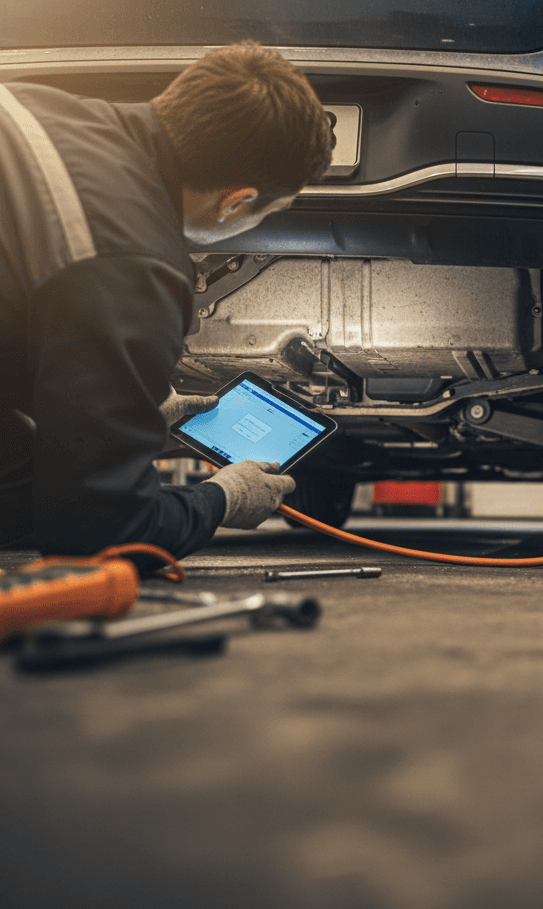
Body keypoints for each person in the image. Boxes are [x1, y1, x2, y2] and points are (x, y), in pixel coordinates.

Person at [0, 41, 335, 565]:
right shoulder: (136, 262)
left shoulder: (36, 106)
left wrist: (120, 414)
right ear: (237, 201)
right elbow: (101, 535)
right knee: (41, 496)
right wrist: (222, 498)